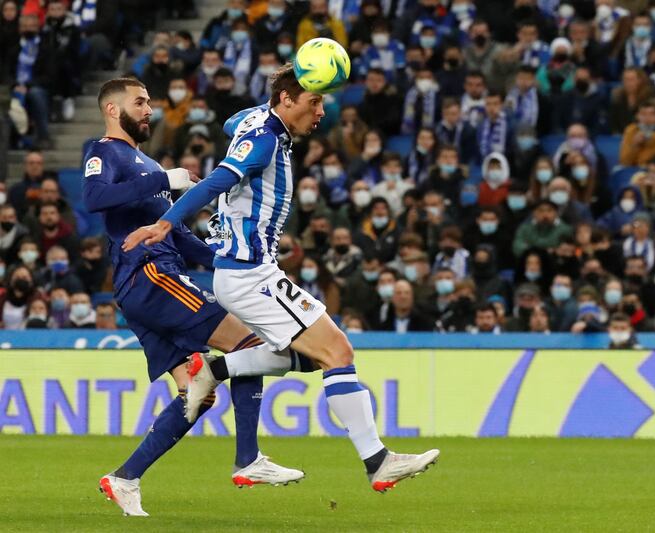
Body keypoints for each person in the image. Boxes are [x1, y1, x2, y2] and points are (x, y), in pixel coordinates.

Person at [123, 65, 439, 494]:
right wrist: (165, 224)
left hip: (254, 271)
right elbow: (218, 180)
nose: (321, 111)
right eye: (314, 102)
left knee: (314, 358)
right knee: (338, 351)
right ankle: (377, 461)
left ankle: (212, 369)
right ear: (287, 101)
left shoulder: (258, 121)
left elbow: (232, 120)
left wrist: (290, 81)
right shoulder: (265, 139)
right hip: (249, 274)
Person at [84, 78, 317, 517]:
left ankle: (125, 477)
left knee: (198, 392)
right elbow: (94, 198)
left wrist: (228, 261)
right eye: (140, 102)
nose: (150, 109)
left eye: (150, 101)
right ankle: (248, 458)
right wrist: (162, 178)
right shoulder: (105, 152)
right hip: (151, 276)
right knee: (249, 343)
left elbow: (182, 237)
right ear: (113, 111)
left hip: (143, 287)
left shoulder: (146, 160)